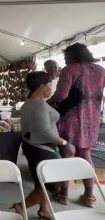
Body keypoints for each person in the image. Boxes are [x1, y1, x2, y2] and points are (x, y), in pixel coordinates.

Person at [11, 71, 76, 219]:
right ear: (41, 86)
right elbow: (45, 131)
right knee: (52, 184)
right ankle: (21, 206)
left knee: (40, 180)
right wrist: (65, 143)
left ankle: (44, 209)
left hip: (32, 145)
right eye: (49, 85)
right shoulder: (39, 105)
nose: (51, 89)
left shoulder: (28, 103)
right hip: (42, 147)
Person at [48, 43, 105, 208]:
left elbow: (61, 95)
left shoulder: (70, 70)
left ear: (74, 56)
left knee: (67, 155)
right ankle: (89, 196)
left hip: (70, 119)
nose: (65, 62)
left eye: (66, 58)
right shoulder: (100, 70)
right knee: (86, 155)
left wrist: (48, 103)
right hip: (92, 119)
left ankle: (64, 194)